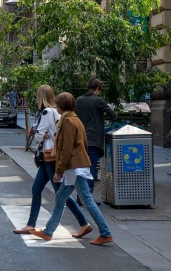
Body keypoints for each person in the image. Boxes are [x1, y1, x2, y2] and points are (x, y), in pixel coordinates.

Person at [29, 92, 113, 245]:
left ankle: (105, 232)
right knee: (61, 198)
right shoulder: (74, 119)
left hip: (74, 167)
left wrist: (59, 171)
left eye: (58, 104)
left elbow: (66, 149)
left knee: (86, 200)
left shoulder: (67, 122)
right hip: (76, 166)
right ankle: (48, 231)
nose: (56, 106)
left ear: (61, 106)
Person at [12, 85, 91, 238]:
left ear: (41, 97)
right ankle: (31, 224)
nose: (36, 98)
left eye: (37, 95)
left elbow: (40, 134)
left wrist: (39, 134)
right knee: (37, 190)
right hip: (46, 158)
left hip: (49, 157)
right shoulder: (54, 111)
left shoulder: (47, 112)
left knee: (61, 194)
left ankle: (83, 223)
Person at [75, 77, 117, 204]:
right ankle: (87, 198)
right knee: (91, 169)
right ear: (98, 88)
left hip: (80, 139)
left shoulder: (78, 100)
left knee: (81, 168)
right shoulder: (99, 101)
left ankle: (80, 196)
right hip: (93, 140)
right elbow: (114, 115)